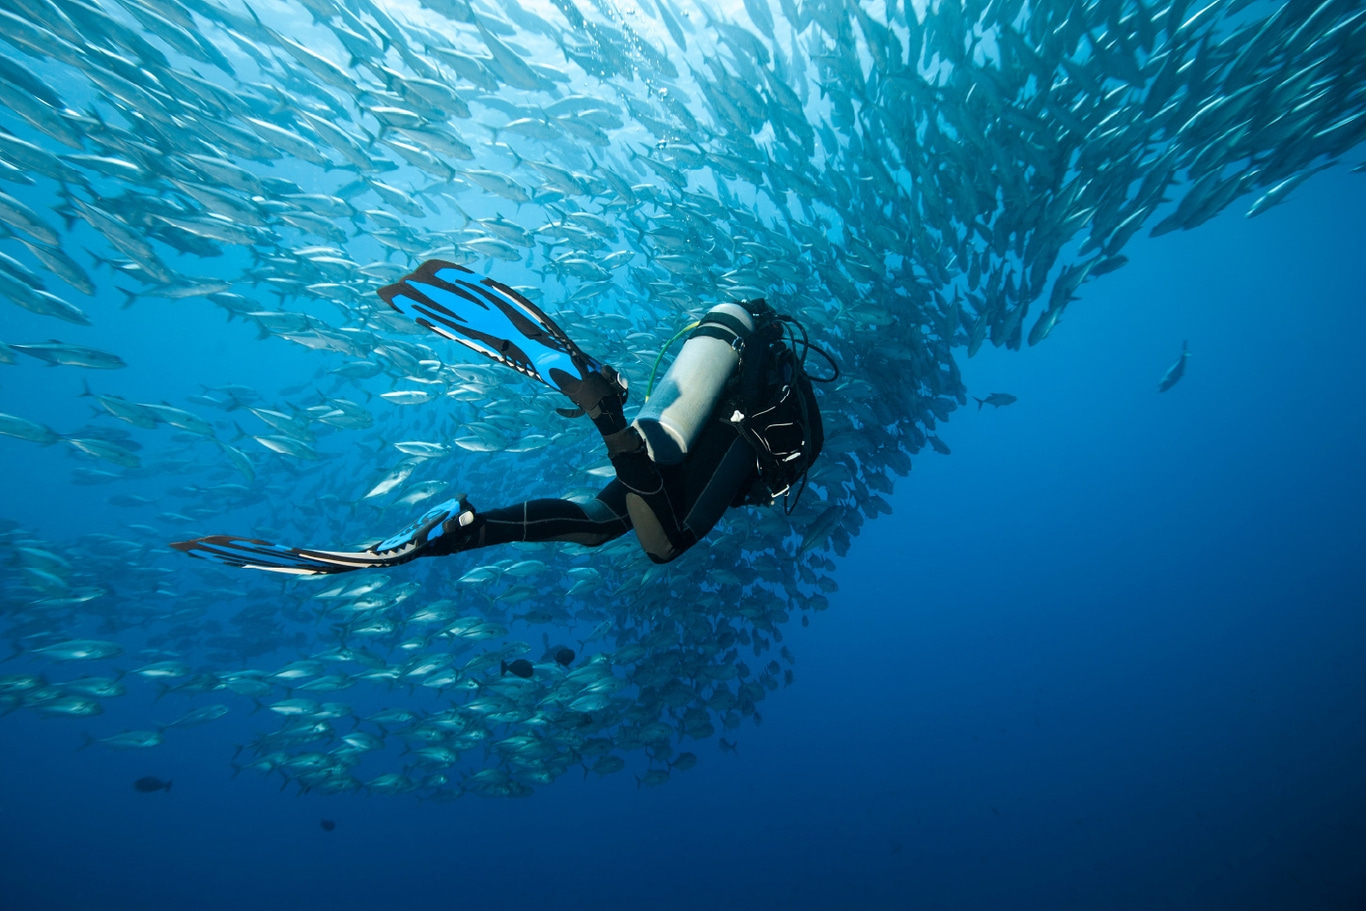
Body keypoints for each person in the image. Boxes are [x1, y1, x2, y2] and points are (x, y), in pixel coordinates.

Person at [172, 262, 835, 575]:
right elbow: (757, 464)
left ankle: (467, 528)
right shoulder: (786, 407)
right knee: (665, 543)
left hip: (689, 401)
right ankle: (605, 415)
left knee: (606, 521)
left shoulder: (747, 349)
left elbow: (682, 419)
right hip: (729, 423)